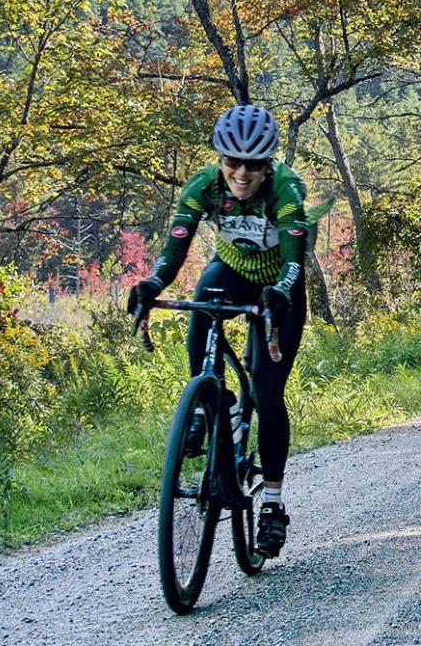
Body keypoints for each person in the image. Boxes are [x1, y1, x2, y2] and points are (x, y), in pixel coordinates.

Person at [128, 104, 308, 559]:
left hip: (278, 287)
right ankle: (210, 403)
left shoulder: (286, 192)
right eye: (232, 163)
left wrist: (281, 291)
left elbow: (292, 261)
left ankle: (272, 503)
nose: (241, 174)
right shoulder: (202, 187)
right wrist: (152, 283)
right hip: (228, 270)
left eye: (253, 165)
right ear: (220, 160)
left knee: (267, 395)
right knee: (202, 307)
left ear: (268, 165)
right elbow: (174, 250)